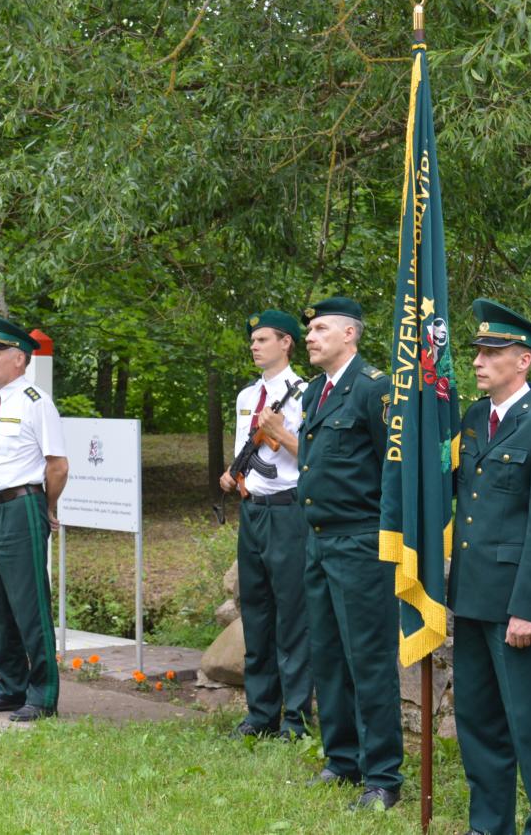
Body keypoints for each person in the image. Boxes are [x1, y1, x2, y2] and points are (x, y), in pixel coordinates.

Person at [448, 299, 531, 835]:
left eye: (492, 351)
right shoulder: (475, 417)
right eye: (478, 351)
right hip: (472, 596)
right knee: (478, 723)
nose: (479, 361)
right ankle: (489, 824)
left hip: (515, 607)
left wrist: (527, 608)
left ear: (522, 360)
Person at [295, 297, 402, 812]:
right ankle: (342, 761)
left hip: (361, 541)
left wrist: (387, 537)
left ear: (350, 335)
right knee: (328, 655)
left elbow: (394, 468)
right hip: (318, 539)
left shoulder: (374, 389)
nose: (310, 337)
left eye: (320, 329)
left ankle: (382, 776)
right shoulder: (316, 391)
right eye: (309, 329)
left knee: (369, 659)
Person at [0, 316, 68, 722]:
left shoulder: (35, 402)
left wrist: (48, 507)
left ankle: (42, 694)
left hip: (21, 506)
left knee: (30, 606)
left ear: (19, 360)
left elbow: (57, 465)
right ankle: (10, 685)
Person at [218, 309, 312, 739]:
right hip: (252, 511)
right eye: (252, 340)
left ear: (286, 342)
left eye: (263, 339)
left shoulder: (306, 394)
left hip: (289, 512)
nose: (254, 346)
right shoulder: (244, 397)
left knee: (292, 616)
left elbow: (313, 458)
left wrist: (280, 431)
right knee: (256, 614)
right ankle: (260, 714)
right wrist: (233, 474)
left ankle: (296, 718)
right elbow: (246, 450)